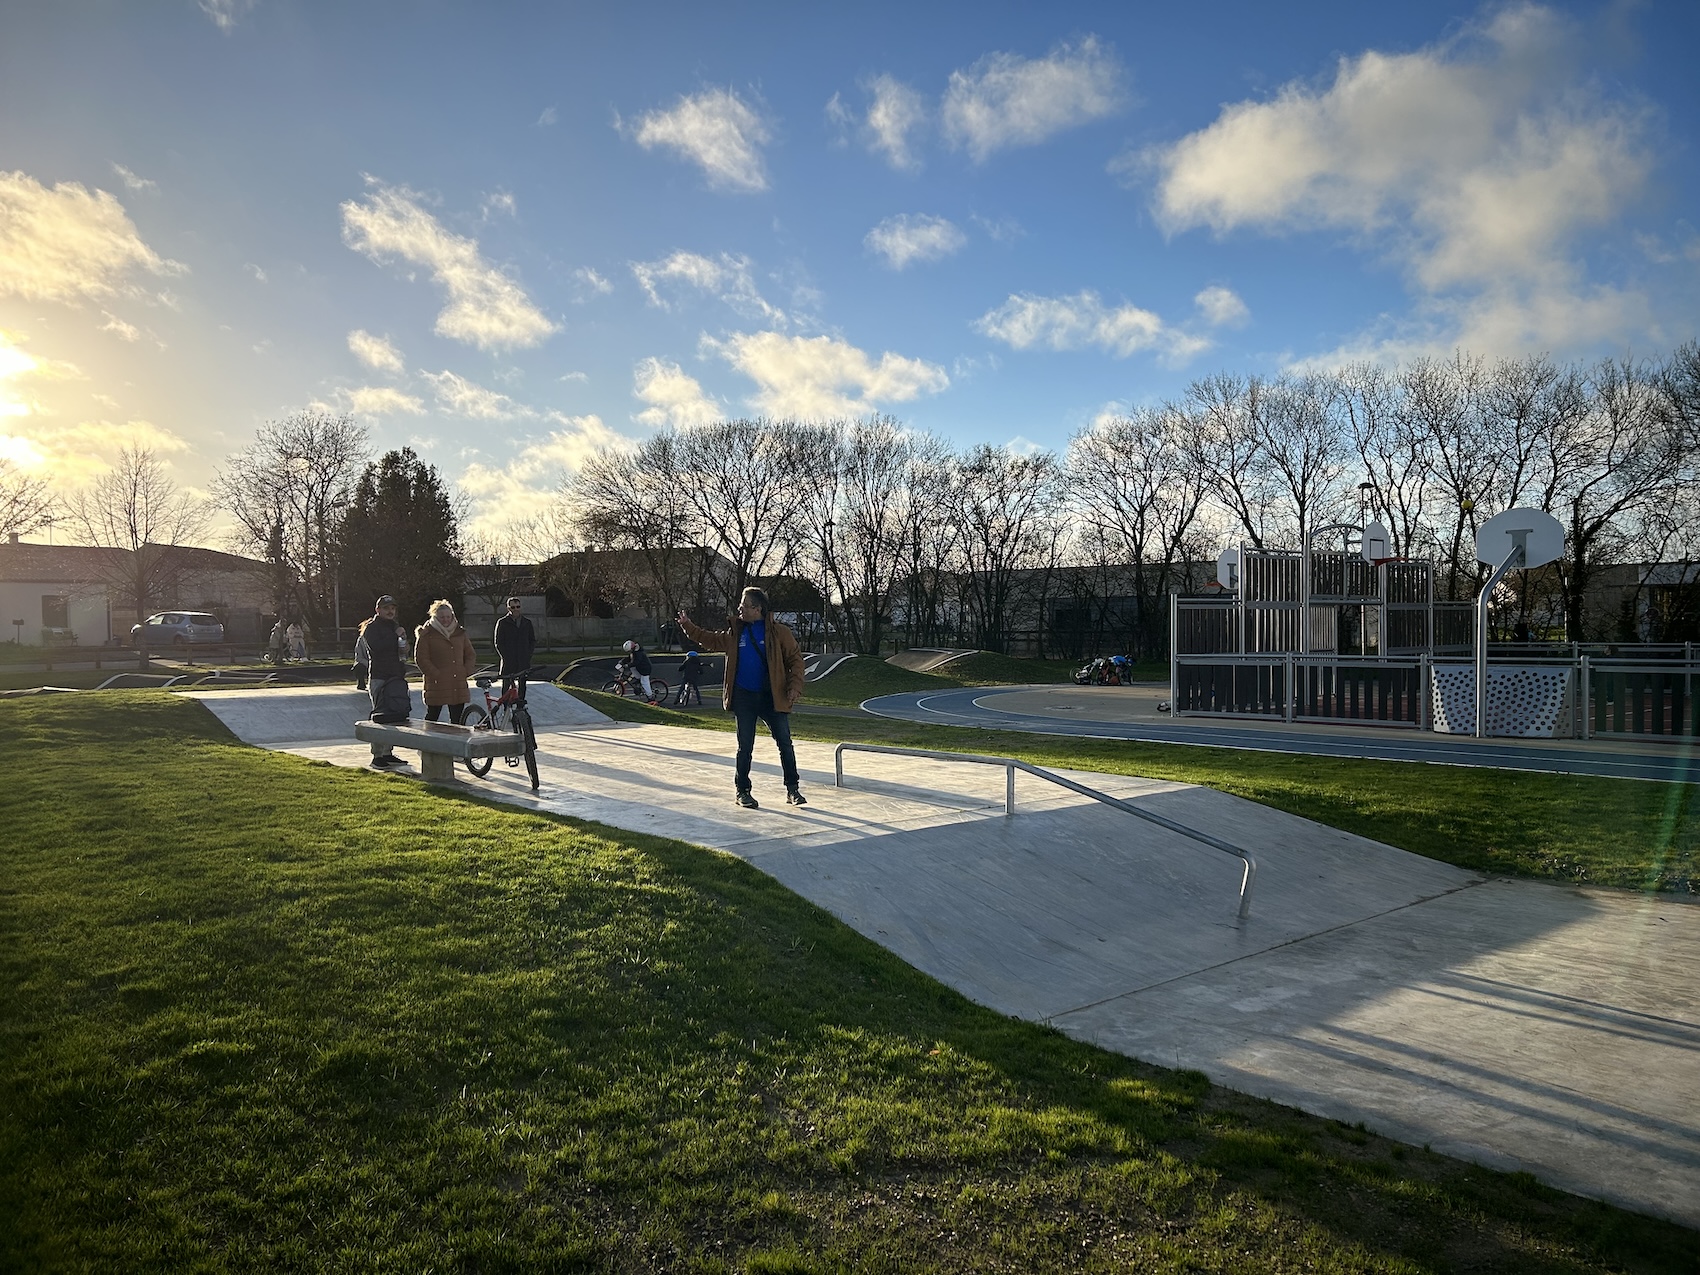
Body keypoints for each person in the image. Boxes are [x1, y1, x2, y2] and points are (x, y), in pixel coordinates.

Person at [676, 586, 807, 808]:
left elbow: (795, 660)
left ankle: (792, 790)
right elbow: (710, 640)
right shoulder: (736, 632)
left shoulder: (779, 632)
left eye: (744, 606)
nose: (740, 609)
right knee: (745, 746)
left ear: (757, 609)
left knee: (785, 743)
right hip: (744, 698)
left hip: (771, 697)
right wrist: (688, 626)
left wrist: (794, 687)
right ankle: (742, 791)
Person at [360, 595, 412, 768]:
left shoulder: (395, 627)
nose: (390, 611)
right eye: (386, 608)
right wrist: (394, 636)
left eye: (392, 608)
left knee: (394, 715)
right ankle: (377, 755)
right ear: (378, 610)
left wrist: (405, 645)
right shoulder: (371, 628)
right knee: (380, 716)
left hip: (396, 676)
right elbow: (377, 647)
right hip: (379, 677)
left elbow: (402, 651)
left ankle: (388, 752)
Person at [415, 599, 477, 724]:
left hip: (457, 682)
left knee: (457, 720)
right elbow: (421, 659)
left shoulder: (460, 633)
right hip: (437, 683)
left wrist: (465, 671)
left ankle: (456, 743)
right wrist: (436, 674)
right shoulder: (427, 634)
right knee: (432, 718)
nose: (446, 620)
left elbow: (470, 654)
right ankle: (428, 742)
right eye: (442, 617)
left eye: (448, 616)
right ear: (435, 617)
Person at [493, 596, 536, 705]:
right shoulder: (502, 622)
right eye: (513, 607)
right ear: (508, 608)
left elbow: (532, 640)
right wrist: (506, 657)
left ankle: (520, 708)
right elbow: (498, 642)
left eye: (518, 607)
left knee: (522, 685)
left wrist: (528, 654)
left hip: (523, 660)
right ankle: (506, 707)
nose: (515, 609)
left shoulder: (527, 623)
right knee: (506, 685)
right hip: (509, 661)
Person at [622, 637, 656, 704]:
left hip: (645, 669)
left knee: (644, 682)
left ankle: (650, 697)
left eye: (629, 651)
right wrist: (622, 662)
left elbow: (636, 662)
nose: (629, 652)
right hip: (640, 668)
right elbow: (629, 658)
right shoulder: (634, 652)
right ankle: (638, 678)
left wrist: (628, 665)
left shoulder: (638, 653)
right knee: (632, 668)